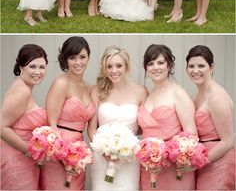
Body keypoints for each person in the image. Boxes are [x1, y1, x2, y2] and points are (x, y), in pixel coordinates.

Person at [88, 46, 148, 190]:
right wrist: (103, 150)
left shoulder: (141, 91)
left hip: (129, 158)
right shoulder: (97, 91)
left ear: (126, 66)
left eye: (119, 65)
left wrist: (126, 146)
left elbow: (144, 128)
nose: (114, 71)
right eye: (109, 66)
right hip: (102, 157)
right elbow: (91, 128)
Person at [138, 44, 197, 190]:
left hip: (173, 169)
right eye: (150, 63)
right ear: (146, 68)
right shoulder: (149, 94)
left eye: (160, 62)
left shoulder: (178, 94)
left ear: (169, 66)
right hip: (149, 169)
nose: (155, 67)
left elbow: (191, 135)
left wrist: (165, 158)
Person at [40, 36, 95, 190]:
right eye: (73, 58)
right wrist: (64, 157)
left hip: (79, 154)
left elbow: (92, 127)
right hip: (58, 154)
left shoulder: (90, 88)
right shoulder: (61, 83)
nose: (78, 62)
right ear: (65, 60)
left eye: (82, 57)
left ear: (88, 58)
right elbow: (51, 125)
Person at [186, 45, 235, 190]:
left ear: (211, 67)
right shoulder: (195, 96)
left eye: (201, 66)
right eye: (191, 66)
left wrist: (198, 161)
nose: (195, 71)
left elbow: (228, 141)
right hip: (204, 162)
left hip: (219, 163)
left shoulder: (216, 97)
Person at [1, 44, 48, 190]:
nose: (38, 72)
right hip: (17, 161)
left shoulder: (22, 86)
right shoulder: (22, 91)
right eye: (32, 66)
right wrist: (32, 152)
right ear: (21, 67)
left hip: (23, 159)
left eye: (42, 67)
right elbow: (2, 127)